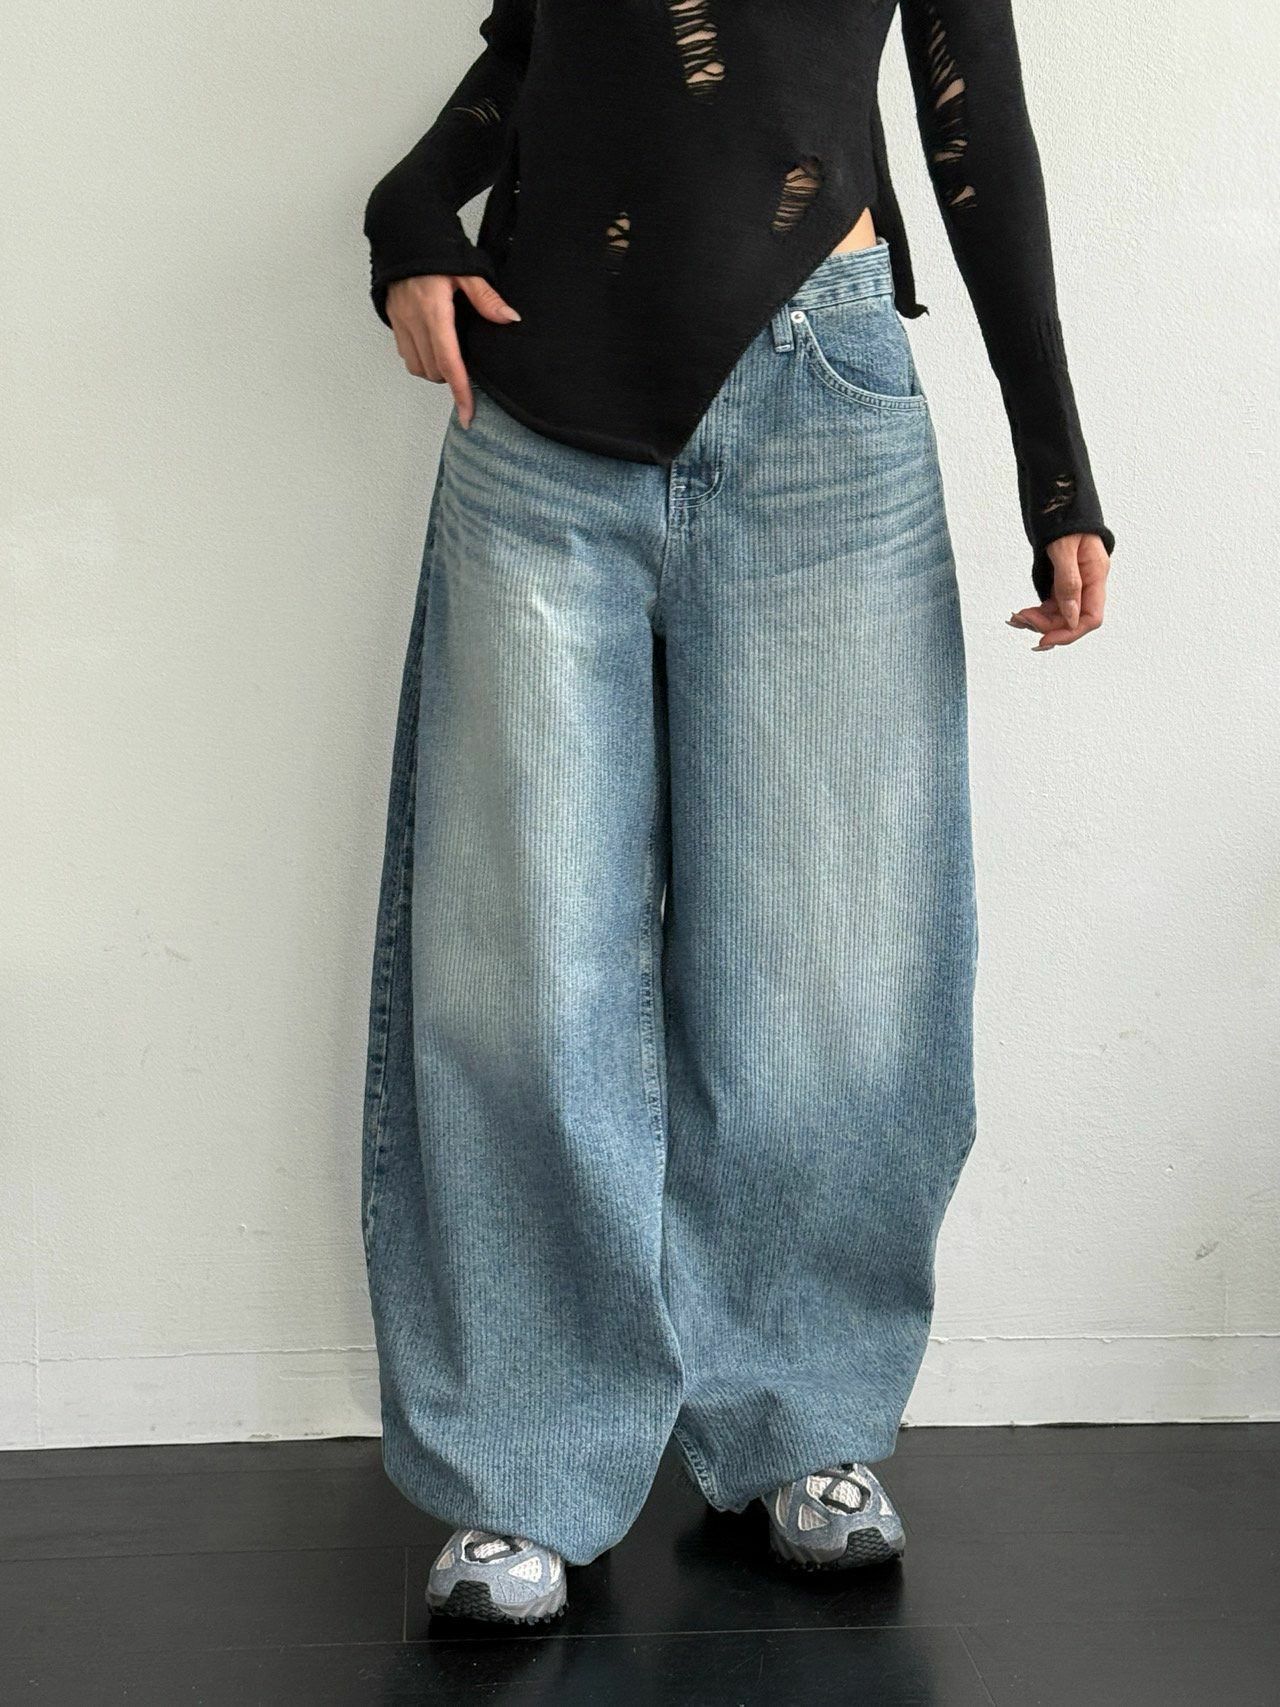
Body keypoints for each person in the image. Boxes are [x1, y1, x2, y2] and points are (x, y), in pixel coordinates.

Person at [359, 0, 1113, 1624]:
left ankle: (797, 1418)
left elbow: (973, 123)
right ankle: (521, 1466)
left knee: (831, 968)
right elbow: (532, 60)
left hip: (821, 397)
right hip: (539, 405)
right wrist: (407, 212)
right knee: (517, 969)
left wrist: (1057, 469)